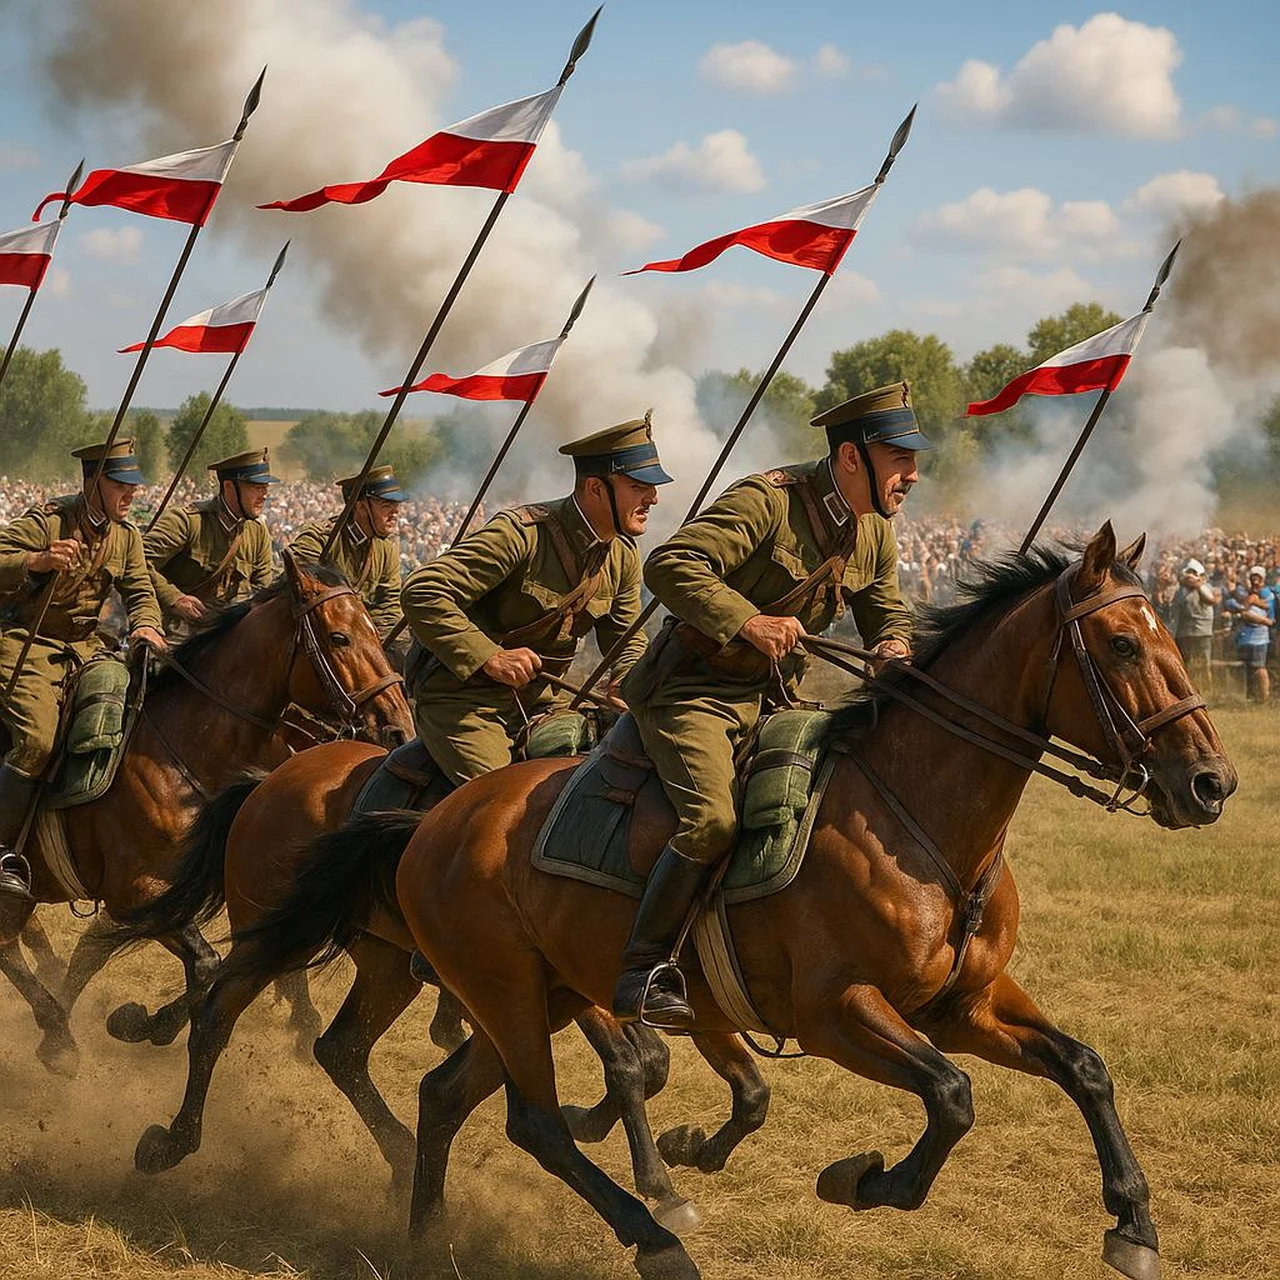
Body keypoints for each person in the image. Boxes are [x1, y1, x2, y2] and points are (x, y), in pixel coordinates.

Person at [612, 381, 928, 1027]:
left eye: (912, 460)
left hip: (775, 697)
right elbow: (671, 565)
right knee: (713, 824)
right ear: (851, 459)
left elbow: (886, 609)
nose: (913, 475)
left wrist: (894, 642)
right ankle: (643, 971)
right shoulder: (767, 500)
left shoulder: (875, 533)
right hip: (692, 693)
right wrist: (747, 620)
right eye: (900, 458)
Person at [401, 415, 672, 784]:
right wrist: (490, 656)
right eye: (640, 486)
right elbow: (423, 591)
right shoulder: (522, 535)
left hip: (543, 703)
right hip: (467, 701)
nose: (653, 498)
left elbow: (624, 641)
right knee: (498, 802)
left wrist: (627, 680)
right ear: (596, 488)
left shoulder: (622, 555)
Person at [0, 439, 166, 900]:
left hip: (88, 647)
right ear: (93, 483)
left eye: (134, 484)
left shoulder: (127, 536)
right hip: (27, 643)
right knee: (36, 740)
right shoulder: (48, 520)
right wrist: (37, 561)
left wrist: (148, 625)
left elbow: (141, 591)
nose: (131, 494)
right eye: (120, 484)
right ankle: (3, 851)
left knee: (132, 715)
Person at [143, 449, 278, 635]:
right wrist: (174, 599)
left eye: (266, 487)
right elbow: (139, 563)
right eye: (256, 486)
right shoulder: (187, 522)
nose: (264, 494)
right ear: (230, 487)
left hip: (230, 634)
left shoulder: (257, 531)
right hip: (178, 629)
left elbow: (262, 588)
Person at [288, 465, 407, 642]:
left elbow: (388, 607)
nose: (395, 512)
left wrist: (389, 648)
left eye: (396, 505)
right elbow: (297, 599)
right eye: (386, 505)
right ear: (360, 507)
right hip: (316, 640)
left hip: (361, 640)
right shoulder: (318, 541)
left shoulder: (386, 550)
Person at [1224, 565, 1275, 702]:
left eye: (1258, 579)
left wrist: (1247, 612)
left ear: (1263, 579)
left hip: (1259, 637)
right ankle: (1252, 697)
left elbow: (1264, 613)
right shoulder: (1253, 593)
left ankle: (1264, 698)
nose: (1255, 582)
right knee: (1249, 668)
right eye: (1253, 579)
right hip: (1248, 637)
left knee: (1259, 668)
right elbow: (1244, 605)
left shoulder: (1265, 593)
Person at [1170, 558, 1220, 694]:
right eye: (1189, 572)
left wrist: (1198, 586)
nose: (1190, 576)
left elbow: (1212, 601)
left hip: (1202, 632)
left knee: (1205, 665)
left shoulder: (1209, 588)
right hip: (1184, 633)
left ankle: (1208, 692)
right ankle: (1187, 692)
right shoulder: (1181, 590)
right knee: (1185, 665)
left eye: (1194, 572)